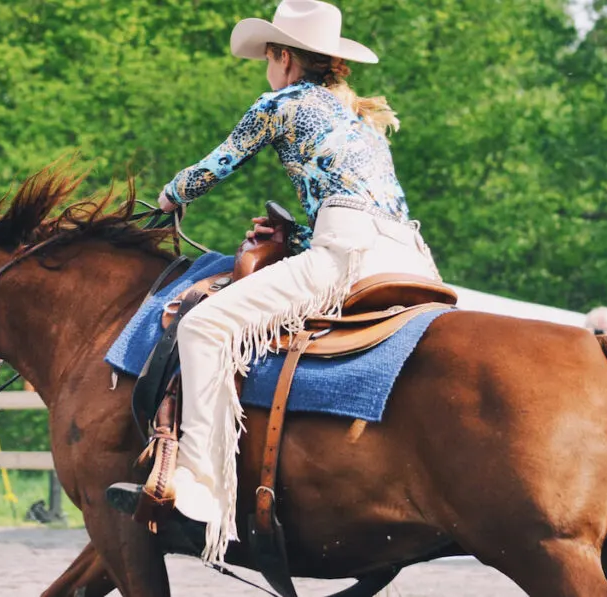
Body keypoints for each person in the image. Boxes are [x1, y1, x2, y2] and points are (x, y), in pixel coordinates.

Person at [107, 0, 441, 564]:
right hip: (410, 258)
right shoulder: (359, 118)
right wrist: (302, 237)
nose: (266, 66)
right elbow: (356, 201)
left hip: (349, 257)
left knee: (206, 328)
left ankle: (203, 494)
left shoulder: (281, 103)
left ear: (285, 57)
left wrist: (169, 196)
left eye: (268, 55)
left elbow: (217, 165)